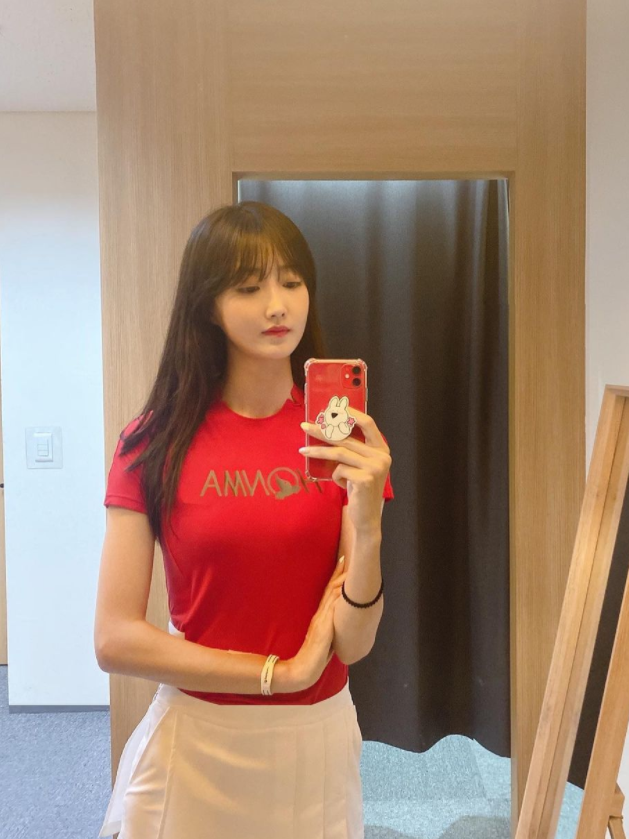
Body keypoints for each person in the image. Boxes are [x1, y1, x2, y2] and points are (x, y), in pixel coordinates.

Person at [94, 201, 395, 839]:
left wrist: (367, 523)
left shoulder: (345, 444)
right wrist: (276, 674)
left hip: (314, 738)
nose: (277, 306)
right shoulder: (152, 442)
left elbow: (353, 644)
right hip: (197, 740)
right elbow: (114, 638)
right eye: (249, 287)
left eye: (292, 282)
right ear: (208, 305)